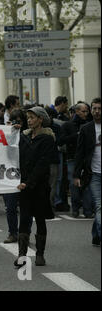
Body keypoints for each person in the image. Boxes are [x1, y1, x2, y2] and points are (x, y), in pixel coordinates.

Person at [15, 106, 55, 267]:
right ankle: (22, 255)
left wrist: (29, 182)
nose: (29, 120)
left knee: (40, 219)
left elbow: (42, 164)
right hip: (23, 186)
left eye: (32, 117)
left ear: (40, 119)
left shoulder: (47, 139)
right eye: (28, 118)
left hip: (39, 186)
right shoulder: (24, 137)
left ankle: (40, 254)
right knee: (24, 219)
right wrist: (13, 131)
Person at [74, 98, 101, 246]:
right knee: (99, 205)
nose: (97, 111)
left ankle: (96, 234)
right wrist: (77, 174)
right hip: (94, 174)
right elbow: (80, 153)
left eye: (99, 108)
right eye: (94, 108)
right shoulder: (86, 128)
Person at [3, 109, 32, 243]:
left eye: (19, 121)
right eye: (14, 121)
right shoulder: (6, 135)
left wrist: (20, 133)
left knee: (26, 206)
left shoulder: (29, 135)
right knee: (11, 206)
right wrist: (10, 133)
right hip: (10, 175)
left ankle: (25, 233)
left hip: (25, 174)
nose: (17, 124)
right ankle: (13, 232)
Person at [59, 103, 93, 218]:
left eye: (87, 111)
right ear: (77, 111)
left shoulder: (89, 124)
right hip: (72, 158)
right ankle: (75, 208)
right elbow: (61, 141)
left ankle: (88, 210)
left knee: (87, 183)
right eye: (83, 111)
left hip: (87, 158)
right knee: (74, 184)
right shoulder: (68, 125)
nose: (86, 114)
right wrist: (77, 135)